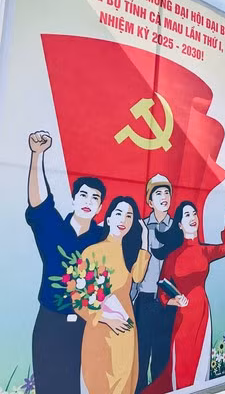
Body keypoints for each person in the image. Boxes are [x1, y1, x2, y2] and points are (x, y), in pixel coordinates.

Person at [25, 131, 107, 394]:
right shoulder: (55, 229)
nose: (88, 202)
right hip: (49, 322)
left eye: (95, 199)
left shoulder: (101, 239)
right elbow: (39, 203)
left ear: (100, 207)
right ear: (74, 198)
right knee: (49, 387)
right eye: (84, 195)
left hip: (86, 328)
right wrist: (37, 155)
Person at [144, 196, 225, 393]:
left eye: (194, 213)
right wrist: (173, 300)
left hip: (203, 313)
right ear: (179, 224)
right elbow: (161, 291)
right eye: (187, 214)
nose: (192, 217)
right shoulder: (173, 256)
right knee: (181, 363)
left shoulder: (204, 251)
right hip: (183, 317)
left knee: (202, 361)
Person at [77, 196, 150, 394]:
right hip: (99, 331)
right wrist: (106, 318)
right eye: (118, 213)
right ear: (108, 218)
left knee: (125, 383)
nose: (123, 220)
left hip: (125, 331)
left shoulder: (130, 253)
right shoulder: (92, 252)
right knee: (98, 384)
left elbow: (138, 276)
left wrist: (144, 240)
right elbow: (78, 299)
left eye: (129, 216)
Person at [133, 174, 175, 393]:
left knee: (162, 351)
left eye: (167, 192)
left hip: (168, 300)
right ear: (149, 201)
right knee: (142, 351)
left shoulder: (176, 228)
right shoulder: (140, 227)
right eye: (158, 193)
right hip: (146, 297)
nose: (164, 196)